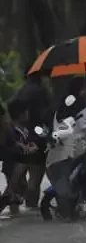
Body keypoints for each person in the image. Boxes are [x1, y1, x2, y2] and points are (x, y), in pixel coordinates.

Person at [44, 77, 86, 213]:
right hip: (72, 151)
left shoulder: (63, 105)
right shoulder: (79, 105)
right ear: (79, 89)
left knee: (66, 184)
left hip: (59, 153)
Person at [9, 69, 54, 208]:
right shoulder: (41, 92)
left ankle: (16, 209)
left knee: (16, 180)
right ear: (40, 76)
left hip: (19, 137)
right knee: (35, 179)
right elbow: (47, 115)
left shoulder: (18, 91)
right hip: (37, 137)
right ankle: (32, 209)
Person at [0, 101, 37, 215]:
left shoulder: (24, 128)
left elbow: (26, 142)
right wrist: (22, 147)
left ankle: (14, 213)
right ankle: (13, 211)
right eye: (26, 112)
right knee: (12, 189)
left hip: (20, 162)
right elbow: (11, 144)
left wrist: (31, 146)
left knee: (20, 188)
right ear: (21, 114)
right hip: (11, 162)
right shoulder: (11, 129)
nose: (28, 114)